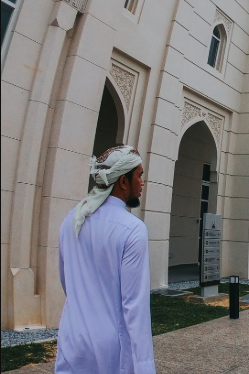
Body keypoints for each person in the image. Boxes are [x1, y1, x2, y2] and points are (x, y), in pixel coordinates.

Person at [56, 145, 156, 374]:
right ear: (123, 182)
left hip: (72, 339)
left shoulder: (71, 219)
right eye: (139, 176)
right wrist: (144, 368)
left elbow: (66, 282)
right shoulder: (133, 229)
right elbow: (135, 307)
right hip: (110, 349)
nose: (142, 182)